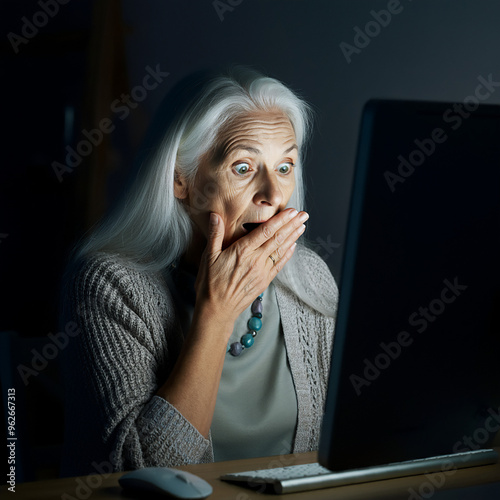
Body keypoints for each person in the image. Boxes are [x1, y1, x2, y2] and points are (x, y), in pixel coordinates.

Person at [59, 66, 338, 477]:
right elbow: (135, 472)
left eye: (284, 167)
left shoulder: (310, 277)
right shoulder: (107, 283)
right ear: (180, 180)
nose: (274, 194)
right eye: (243, 168)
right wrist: (217, 312)